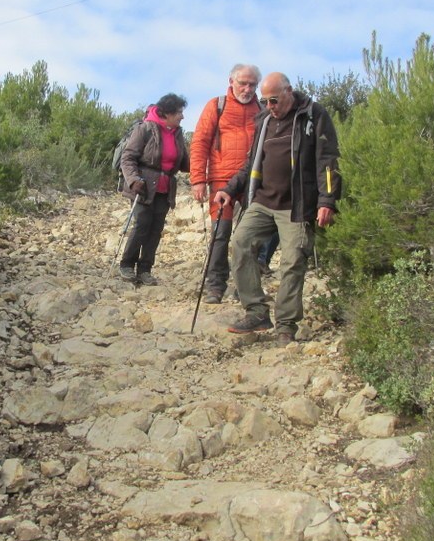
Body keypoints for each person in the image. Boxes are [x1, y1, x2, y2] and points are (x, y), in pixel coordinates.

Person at [212, 72, 341, 342]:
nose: (269, 105)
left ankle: (285, 325)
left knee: (293, 260)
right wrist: (228, 188)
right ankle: (256, 312)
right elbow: (251, 163)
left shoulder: (313, 115)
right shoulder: (265, 121)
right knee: (240, 243)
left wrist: (327, 200)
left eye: (273, 100)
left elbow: (327, 160)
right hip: (262, 201)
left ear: (288, 92)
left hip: (297, 205)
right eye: (265, 100)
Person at [189, 64, 263, 303]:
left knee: (251, 237)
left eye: (252, 84)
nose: (248, 88)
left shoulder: (262, 109)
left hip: (253, 181)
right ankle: (215, 285)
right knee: (221, 233)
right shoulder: (216, 105)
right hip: (221, 180)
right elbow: (199, 142)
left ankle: (246, 286)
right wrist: (198, 179)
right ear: (231, 81)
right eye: (243, 83)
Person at [118, 93, 190, 286]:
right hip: (143, 186)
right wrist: (133, 180)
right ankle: (126, 264)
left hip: (165, 189)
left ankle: (145, 270)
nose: (182, 116)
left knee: (156, 230)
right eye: (179, 112)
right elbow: (128, 157)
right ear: (166, 113)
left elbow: (184, 163)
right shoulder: (145, 129)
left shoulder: (177, 133)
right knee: (142, 225)